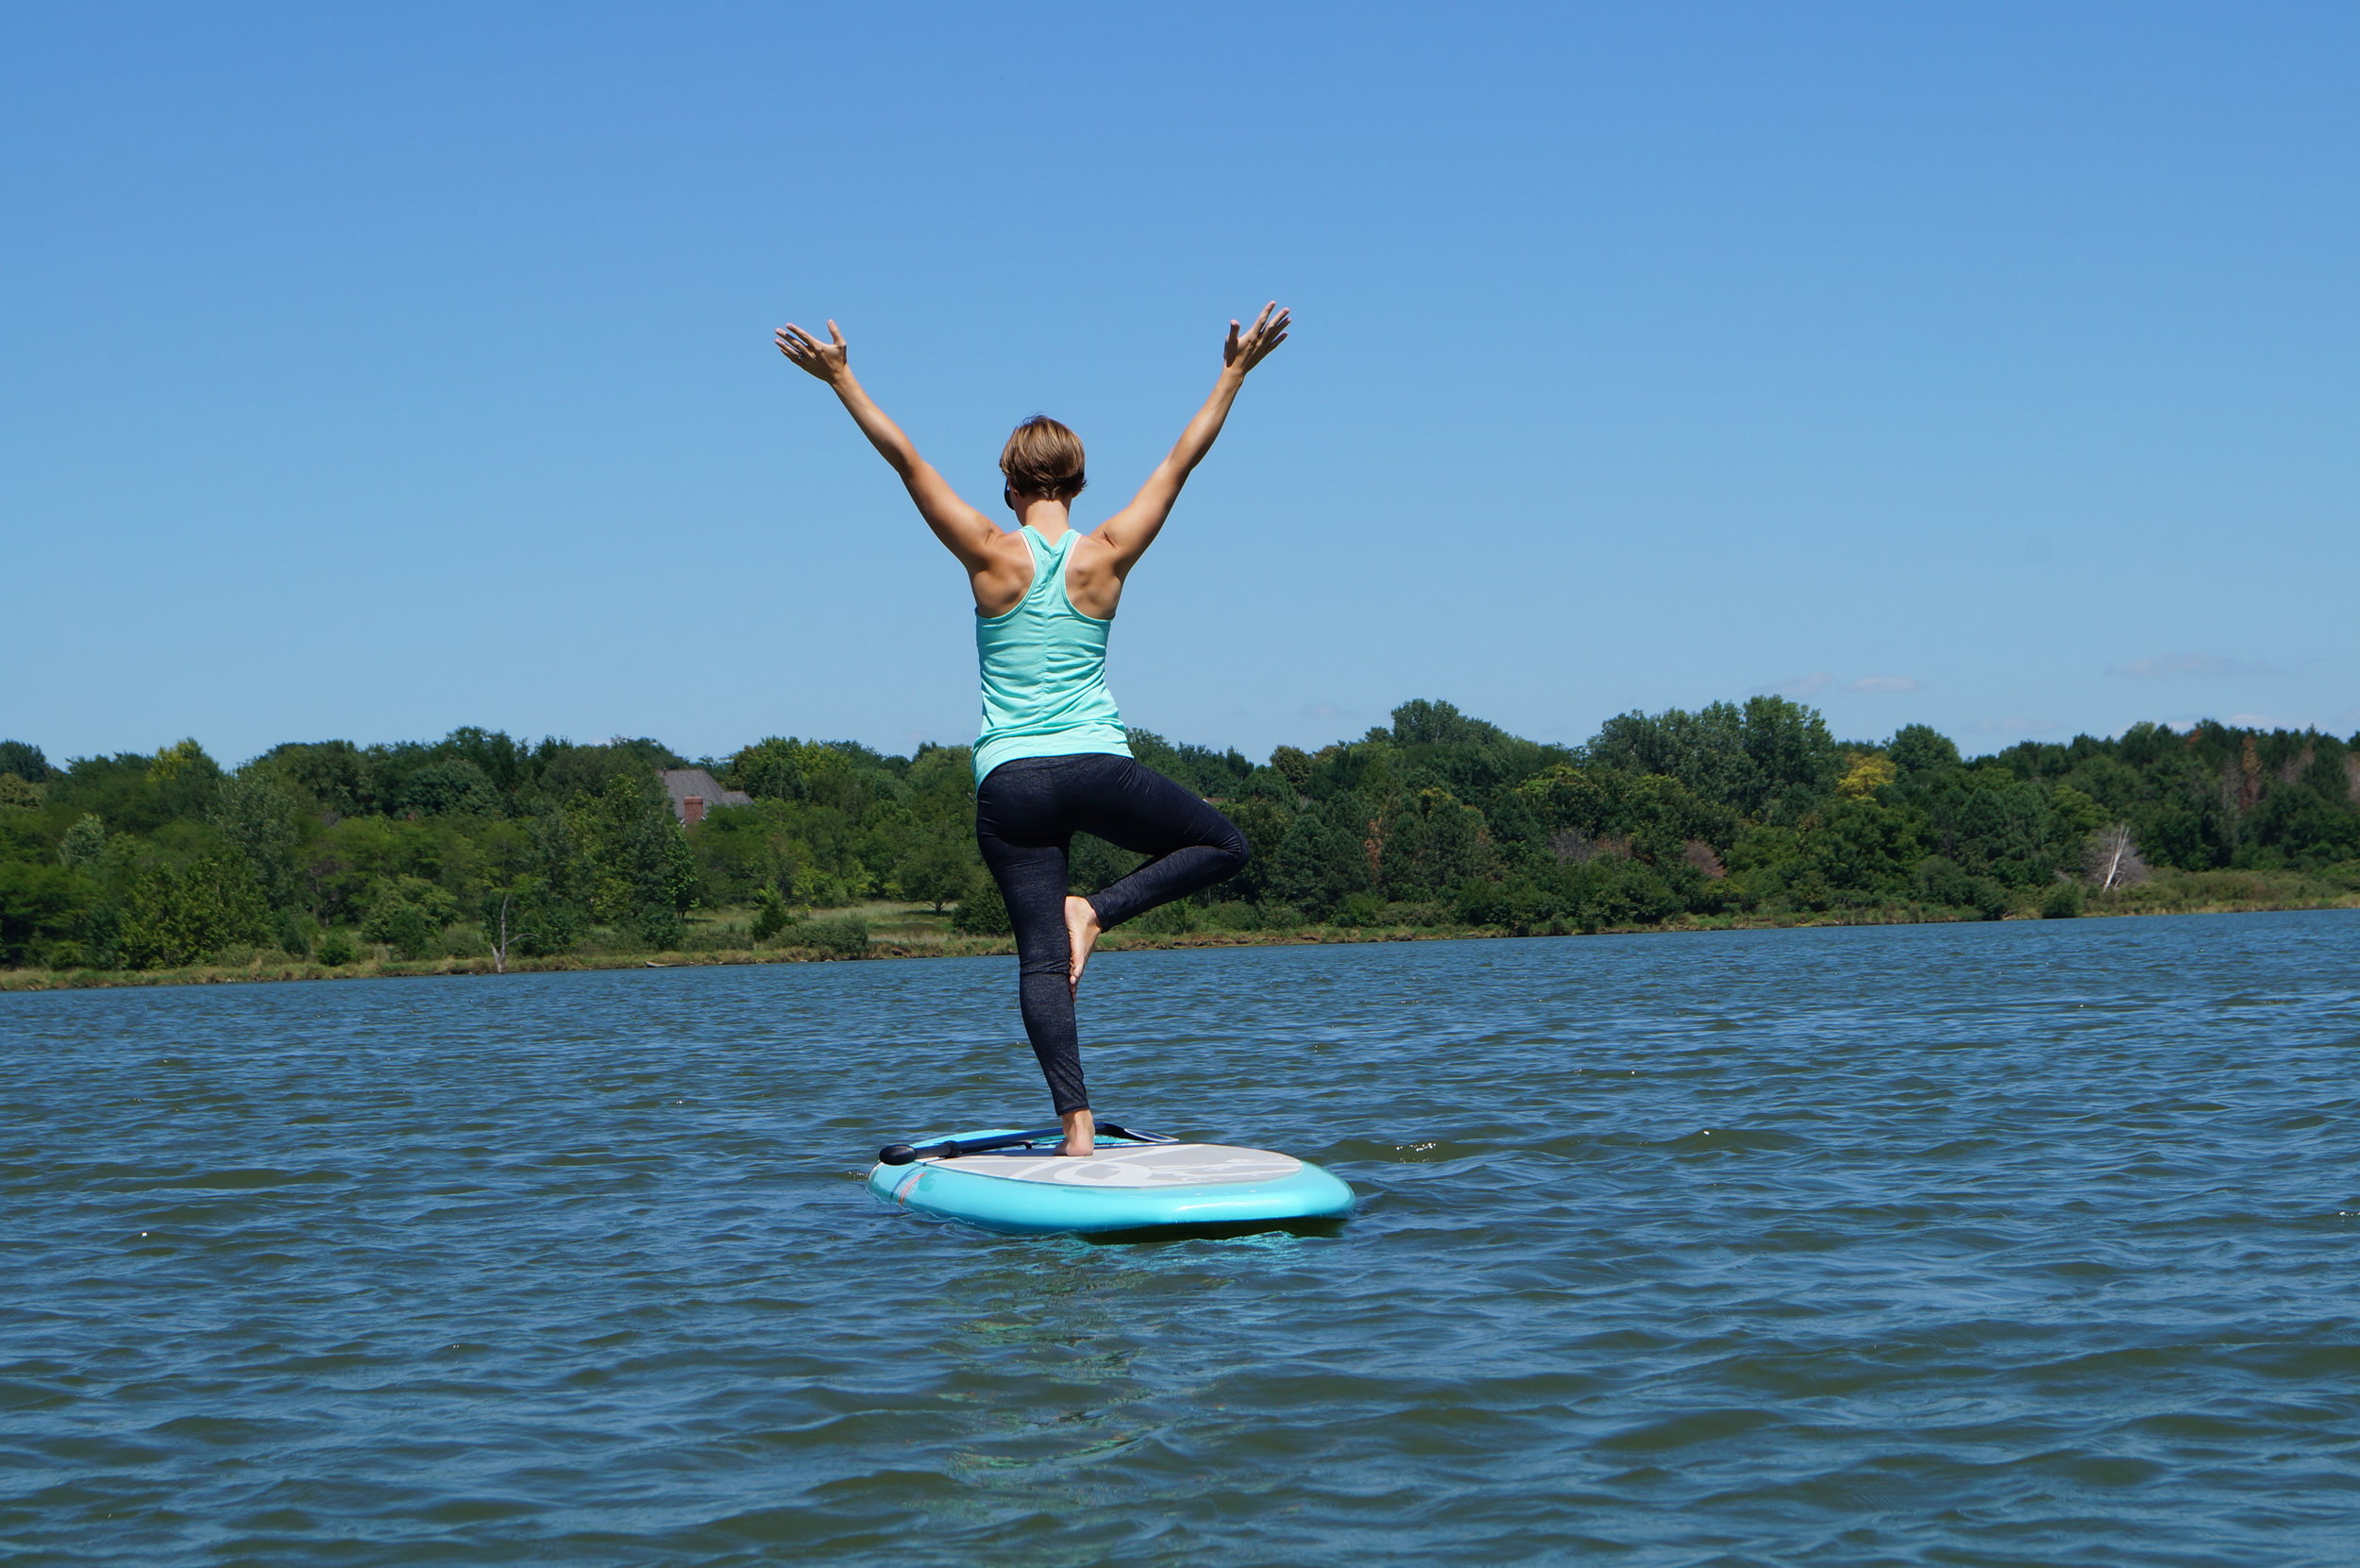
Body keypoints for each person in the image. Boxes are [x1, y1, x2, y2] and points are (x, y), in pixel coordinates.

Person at [775, 304, 1290, 1155]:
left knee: (1040, 960)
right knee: (1225, 844)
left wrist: (841, 378)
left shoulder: (988, 550)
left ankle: (1077, 1128)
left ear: (1010, 486)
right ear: (1078, 483)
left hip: (1011, 785)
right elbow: (1180, 461)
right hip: (1095, 765)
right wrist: (1234, 371)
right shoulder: (1107, 552)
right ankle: (1099, 909)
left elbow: (907, 462)